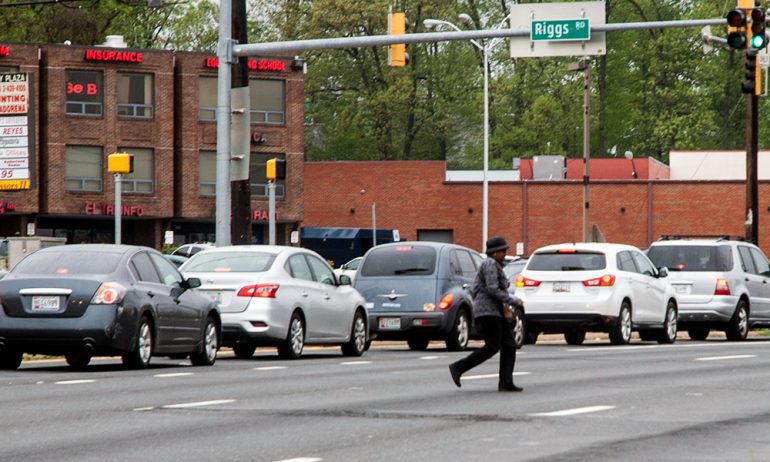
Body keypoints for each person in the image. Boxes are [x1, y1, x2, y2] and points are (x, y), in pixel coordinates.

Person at [449, 236, 523, 392]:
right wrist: (513, 301)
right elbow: (492, 288)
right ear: (494, 252)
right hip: (487, 311)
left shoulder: (496, 264)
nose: (505, 253)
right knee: (492, 347)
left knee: (509, 345)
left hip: (495, 312)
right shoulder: (489, 263)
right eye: (503, 250)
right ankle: (458, 367)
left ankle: (506, 382)